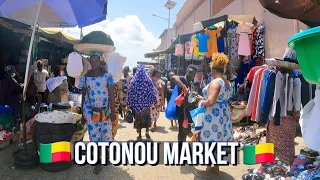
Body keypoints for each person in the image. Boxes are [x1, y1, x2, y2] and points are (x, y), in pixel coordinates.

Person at [195, 53, 232, 178]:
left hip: (213, 117)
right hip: (223, 116)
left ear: (214, 70)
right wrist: (204, 98)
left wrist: (201, 101)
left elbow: (210, 102)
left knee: (210, 141)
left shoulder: (216, 82)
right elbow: (219, 99)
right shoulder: (227, 82)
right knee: (219, 140)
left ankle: (207, 171)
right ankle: (216, 168)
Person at [78, 53, 116, 174]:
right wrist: (82, 112)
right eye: (92, 61)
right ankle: (98, 162)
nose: (94, 63)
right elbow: (83, 94)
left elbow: (111, 94)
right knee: (94, 137)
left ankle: (105, 156)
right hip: (90, 110)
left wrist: (114, 111)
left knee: (106, 135)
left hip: (105, 110)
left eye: (96, 61)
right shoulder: (84, 76)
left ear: (101, 62)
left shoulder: (107, 76)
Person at [127, 65, 157, 140]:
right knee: (147, 118)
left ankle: (140, 135)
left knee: (138, 120)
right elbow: (152, 91)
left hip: (137, 106)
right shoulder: (148, 80)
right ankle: (147, 132)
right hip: (146, 105)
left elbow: (130, 92)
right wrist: (154, 100)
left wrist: (129, 103)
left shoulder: (133, 81)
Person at [171, 64, 198, 142]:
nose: (191, 75)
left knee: (186, 130)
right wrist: (183, 86)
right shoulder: (183, 79)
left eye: (193, 74)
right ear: (187, 71)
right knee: (182, 132)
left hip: (188, 111)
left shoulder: (191, 83)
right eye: (190, 72)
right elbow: (174, 78)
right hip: (181, 111)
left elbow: (191, 96)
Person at [20, 81, 41, 149]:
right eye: (34, 89)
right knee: (36, 123)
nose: (36, 91)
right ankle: (35, 146)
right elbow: (30, 115)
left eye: (36, 89)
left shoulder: (33, 98)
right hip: (24, 124)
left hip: (33, 120)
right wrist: (39, 102)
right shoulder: (24, 101)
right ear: (28, 90)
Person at [2, 65, 23, 130]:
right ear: (9, 72)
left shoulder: (12, 79)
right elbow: (6, 92)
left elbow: (19, 80)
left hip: (16, 100)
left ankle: (15, 128)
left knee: (17, 116)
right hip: (12, 101)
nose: (14, 72)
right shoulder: (6, 80)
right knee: (14, 116)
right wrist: (17, 88)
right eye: (13, 70)